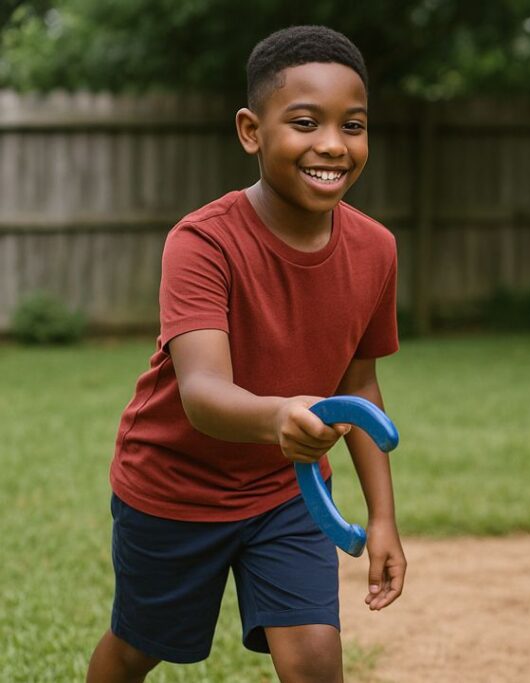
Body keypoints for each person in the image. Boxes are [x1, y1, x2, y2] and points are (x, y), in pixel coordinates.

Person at [87, 25, 405, 683]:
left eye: (353, 125)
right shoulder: (203, 242)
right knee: (136, 647)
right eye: (306, 122)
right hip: (174, 485)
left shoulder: (376, 250)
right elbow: (203, 394)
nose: (332, 144)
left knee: (316, 657)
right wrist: (279, 416)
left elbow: (361, 387)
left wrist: (382, 518)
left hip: (287, 492)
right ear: (251, 131)